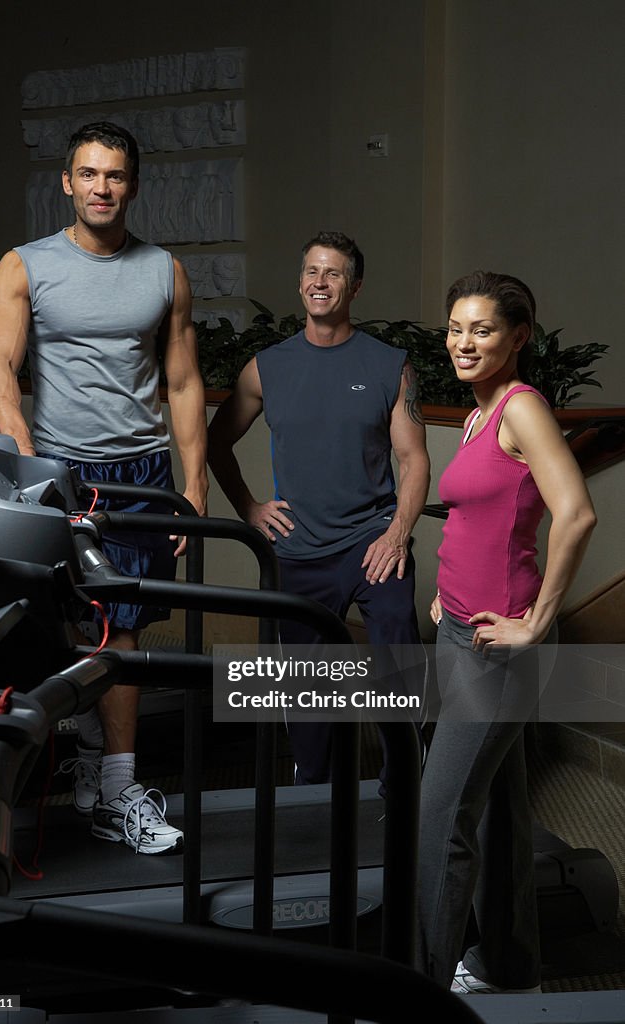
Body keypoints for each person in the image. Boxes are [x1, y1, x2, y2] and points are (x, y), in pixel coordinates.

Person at [0, 121, 209, 854]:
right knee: (78, 627)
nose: (100, 187)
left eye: (113, 176)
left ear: (132, 185)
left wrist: (195, 485)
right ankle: (100, 773)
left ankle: (109, 784)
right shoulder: (24, 266)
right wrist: (29, 471)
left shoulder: (163, 270)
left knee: (125, 628)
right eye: (88, 174)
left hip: (142, 472)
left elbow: (180, 381)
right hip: (63, 468)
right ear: (67, 182)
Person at [417, 271, 597, 993]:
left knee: (439, 816)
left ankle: (416, 987)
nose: (463, 342)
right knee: (496, 808)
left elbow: (575, 512)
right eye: (456, 328)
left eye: (481, 330)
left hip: (497, 647)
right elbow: (474, 518)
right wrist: (442, 594)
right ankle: (509, 964)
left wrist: (537, 622)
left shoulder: (521, 409)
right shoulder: (476, 411)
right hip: (457, 628)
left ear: (517, 338)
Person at [207, 230, 430, 784]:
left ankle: (409, 780)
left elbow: (414, 460)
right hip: (299, 550)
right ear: (300, 282)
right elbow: (216, 443)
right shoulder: (266, 368)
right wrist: (250, 509)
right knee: (310, 693)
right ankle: (315, 798)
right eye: (311, 271)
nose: (319, 283)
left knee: (397, 656)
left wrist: (398, 532)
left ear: (354, 286)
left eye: (333, 273)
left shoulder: (390, 366)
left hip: (372, 540)